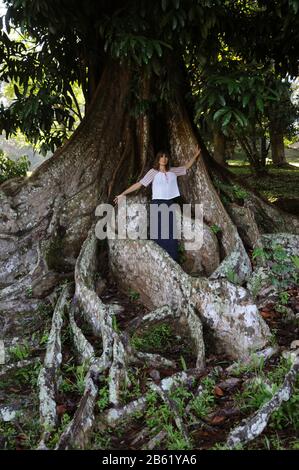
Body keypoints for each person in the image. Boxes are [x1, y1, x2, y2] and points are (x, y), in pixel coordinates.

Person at [113, 145, 202, 261]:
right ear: (158, 159)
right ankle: (158, 259)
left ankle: (172, 259)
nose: (164, 159)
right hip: (157, 204)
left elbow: (186, 167)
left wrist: (195, 155)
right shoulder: (153, 172)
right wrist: (123, 193)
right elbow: (139, 184)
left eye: (166, 157)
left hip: (169, 203)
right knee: (158, 232)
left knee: (169, 232)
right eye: (161, 156)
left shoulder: (172, 171)